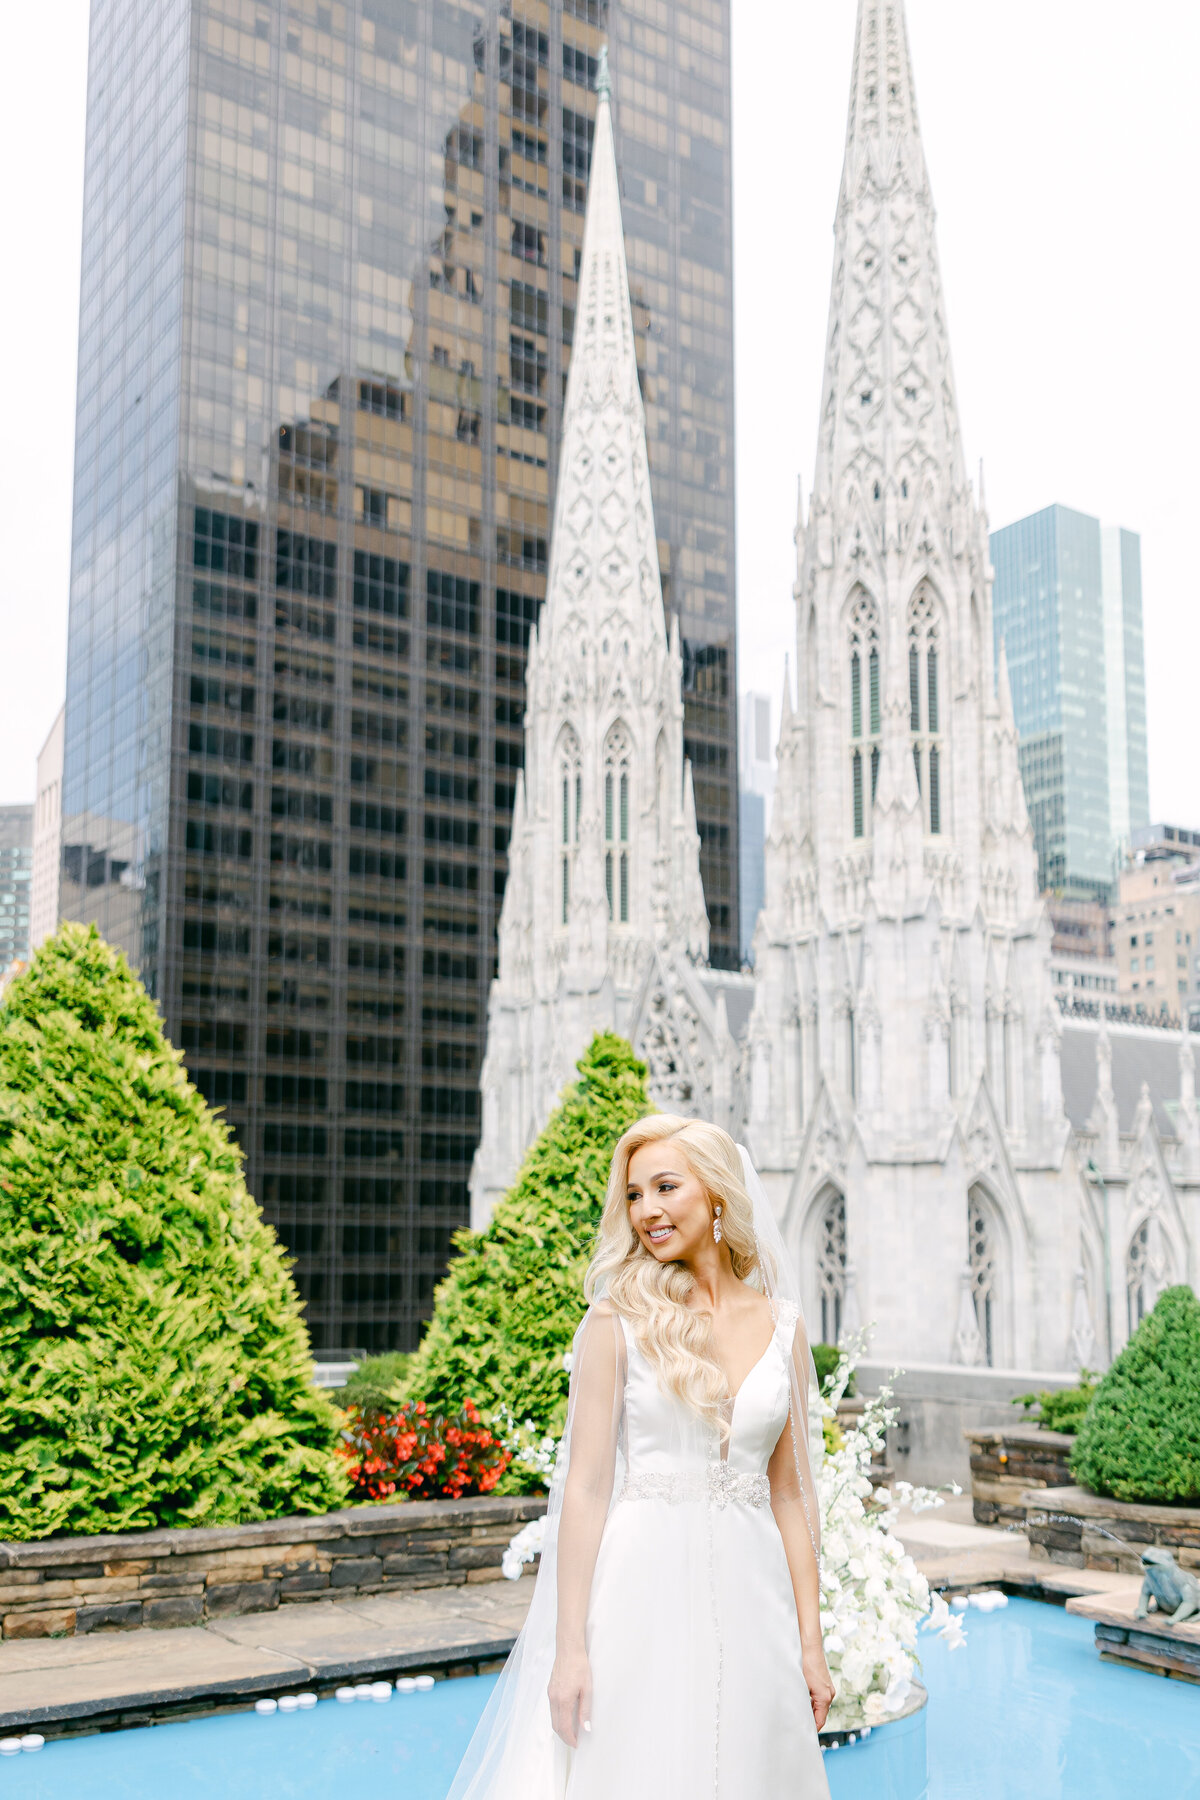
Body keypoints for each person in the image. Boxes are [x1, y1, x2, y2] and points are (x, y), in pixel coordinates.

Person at [447, 1114, 832, 1800]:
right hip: (636, 1593)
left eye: (664, 1186)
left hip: (755, 1600)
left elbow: (791, 1496)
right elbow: (586, 1490)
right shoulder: (614, 1322)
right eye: (632, 1194)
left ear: (716, 1195)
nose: (646, 1210)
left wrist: (810, 1642)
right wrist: (569, 1650)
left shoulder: (786, 1327)